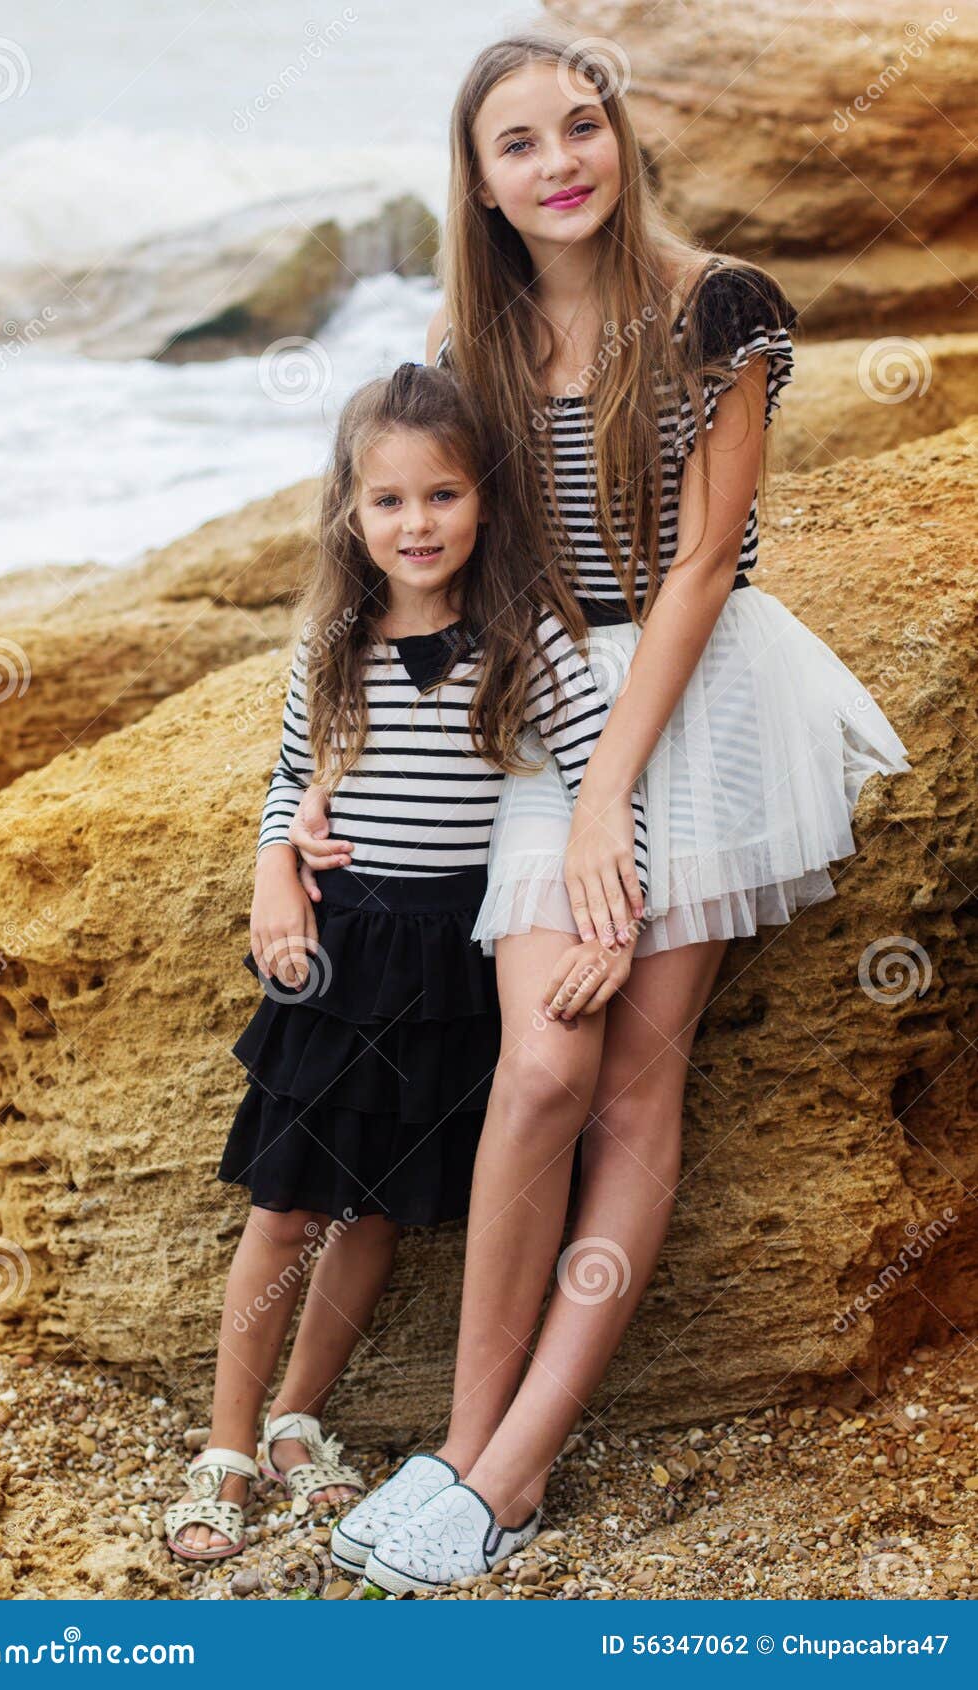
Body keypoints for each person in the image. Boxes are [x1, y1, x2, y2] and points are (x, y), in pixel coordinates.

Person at [290, 31, 911, 1593]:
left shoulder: (717, 306)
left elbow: (702, 567)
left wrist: (606, 808)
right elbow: (437, 565)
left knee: (633, 1073)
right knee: (537, 1065)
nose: (559, 161)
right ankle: (455, 1436)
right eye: (519, 144)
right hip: (544, 698)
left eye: (583, 126)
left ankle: (508, 1474)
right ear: (479, 180)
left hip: (691, 706)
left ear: (620, 139)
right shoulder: (465, 330)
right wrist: (303, 800)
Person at [163, 358, 646, 1561]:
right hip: (343, 949)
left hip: (451, 962)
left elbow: (599, 783)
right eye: (387, 502)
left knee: (373, 1213)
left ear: (480, 498)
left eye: (439, 496)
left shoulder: (523, 637)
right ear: (350, 511)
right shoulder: (334, 643)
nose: (415, 523)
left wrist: (608, 918)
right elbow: (289, 782)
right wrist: (275, 867)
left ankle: (295, 1421)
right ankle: (223, 1447)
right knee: (285, 1207)